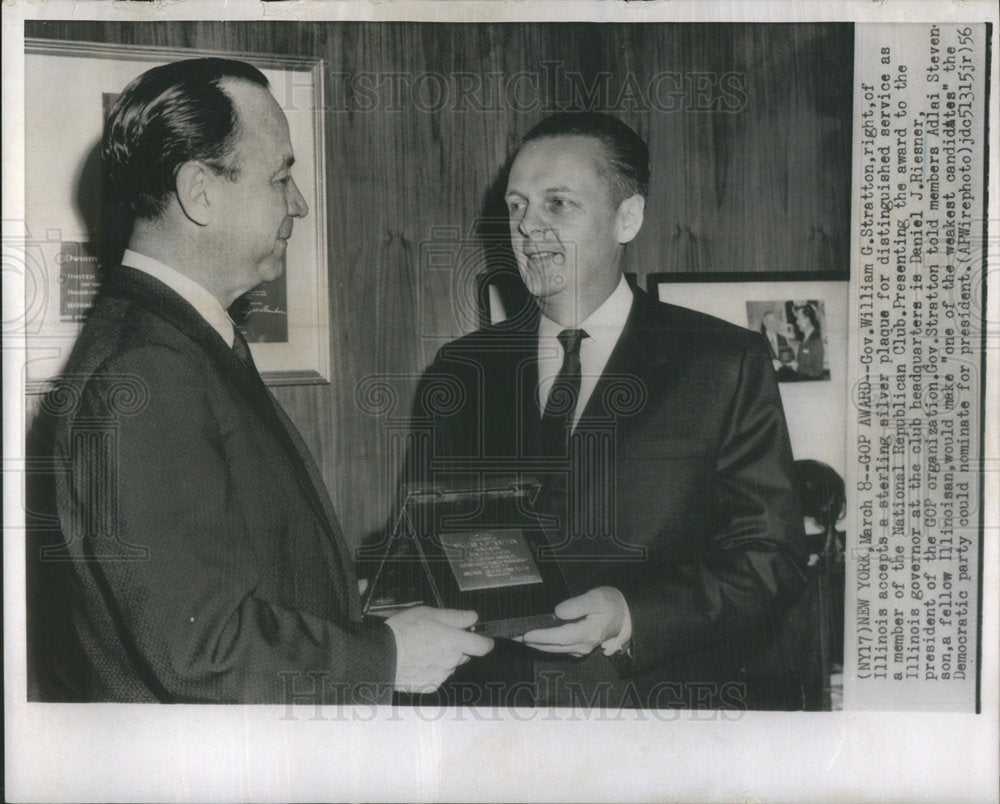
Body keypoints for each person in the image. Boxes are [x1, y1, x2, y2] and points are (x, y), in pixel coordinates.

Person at [26, 58, 492, 703]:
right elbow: (202, 650)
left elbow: (212, 583)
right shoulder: (148, 371)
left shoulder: (177, 340)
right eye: (281, 177)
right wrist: (385, 657)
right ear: (201, 193)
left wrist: (349, 611)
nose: (298, 203)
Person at [412, 112, 808, 709]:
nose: (528, 227)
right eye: (516, 206)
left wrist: (631, 614)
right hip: (493, 716)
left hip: (656, 711)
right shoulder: (460, 369)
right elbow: (433, 529)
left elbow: (771, 559)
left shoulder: (722, 362)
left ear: (628, 218)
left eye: (559, 204)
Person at [792, 303, 825, 379]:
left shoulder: (817, 339)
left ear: (807, 320)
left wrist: (797, 367)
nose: (797, 322)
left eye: (798, 319)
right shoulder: (804, 338)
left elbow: (817, 372)